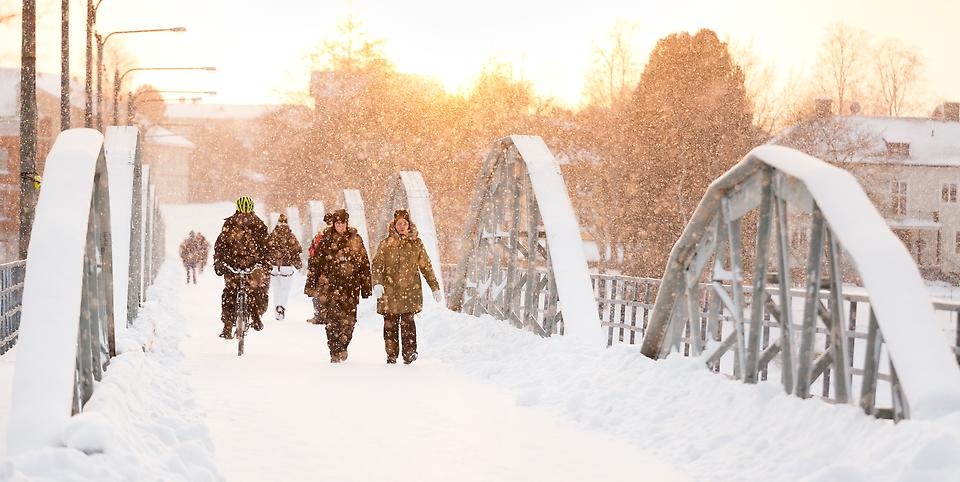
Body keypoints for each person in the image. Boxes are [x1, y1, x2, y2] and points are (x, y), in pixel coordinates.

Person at [371, 209, 441, 365]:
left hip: (410, 291)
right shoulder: (386, 244)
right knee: (390, 324)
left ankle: (409, 353)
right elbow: (376, 265)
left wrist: (434, 287)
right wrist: (376, 283)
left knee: (408, 323)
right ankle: (391, 354)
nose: (401, 226)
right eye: (399, 223)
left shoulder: (416, 243)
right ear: (394, 225)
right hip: (389, 291)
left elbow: (426, 267)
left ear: (409, 225)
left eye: (404, 223)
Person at [307, 209, 371, 363]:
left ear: (346, 223)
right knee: (332, 320)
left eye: (342, 223)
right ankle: (334, 350)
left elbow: (364, 264)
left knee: (349, 321)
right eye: (337, 223)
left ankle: (343, 345)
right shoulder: (326, 240)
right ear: (334, 224)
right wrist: (311, 284)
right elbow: (316, 264)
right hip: (331, 286)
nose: (340, 226)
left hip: (351, 287)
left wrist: (366, 286)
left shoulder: (356, 239)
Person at [213, 196, 270, 339]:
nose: (244, 217)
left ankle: (256, 316)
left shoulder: (259, 225)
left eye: (247, 214)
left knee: (258, 290)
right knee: (229, 293)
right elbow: (220, 246)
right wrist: (220, 262)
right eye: (242, 214)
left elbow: (266, 247)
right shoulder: (230, 225)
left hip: (253, 264)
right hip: (233, 264)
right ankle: (227, 325)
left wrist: (265, 263)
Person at [266, 213, 303, 321]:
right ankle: (282, 306)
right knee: (285, 289)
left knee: (276, 289)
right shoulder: (290, 236)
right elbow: (297, 249)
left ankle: (276, 308)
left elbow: (266, 248)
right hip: (286, 266)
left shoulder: (272, 235)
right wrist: (297, 264)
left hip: (273, 266)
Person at [304, 212, 334, 325]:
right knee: (318, 292)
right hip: (319, 268)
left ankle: (323, 315)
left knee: (322, 292)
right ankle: (320, 314)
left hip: (323, 269)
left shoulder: (324, 237)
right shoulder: (320, 236)